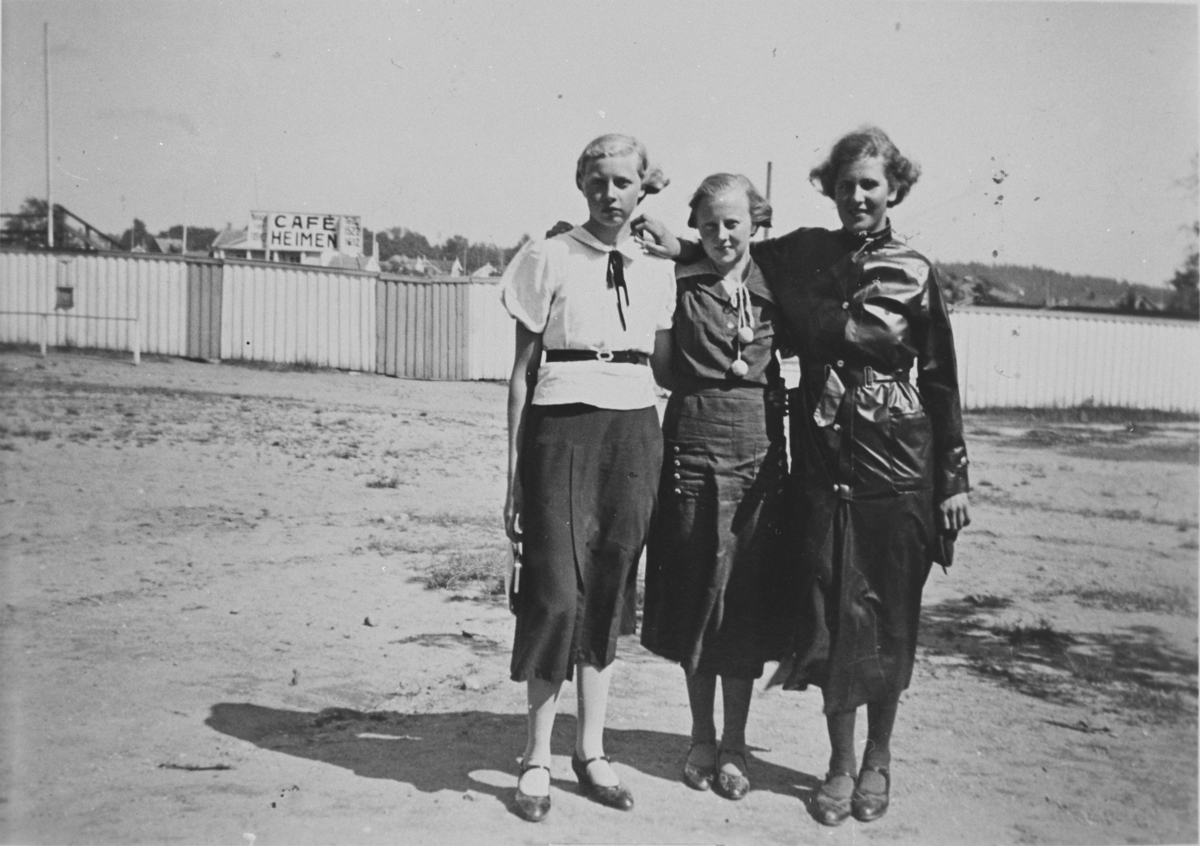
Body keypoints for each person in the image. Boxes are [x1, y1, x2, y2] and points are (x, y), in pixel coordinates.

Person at [640, 126, 971, 826]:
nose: (857, 196)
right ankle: (839, 765)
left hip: (899, 460)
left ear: (893, 191)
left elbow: (940, 380)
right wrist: (678, 246)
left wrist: (954, 478)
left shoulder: (915, 269)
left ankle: (877, 760)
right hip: (821, 461)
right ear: (831, 187)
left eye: (870, 185)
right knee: (830, 609)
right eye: (846, 184)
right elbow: (730, 251)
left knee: (887, 613)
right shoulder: (803, 255)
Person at [501, 133, 676, 823]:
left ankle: (591, 751)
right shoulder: (547, 256)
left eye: (623, 183)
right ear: (582, 184)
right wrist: (513, 474)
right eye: (598, 181)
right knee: (554, 593)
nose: (610, 194)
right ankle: (537, 757)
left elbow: (667, 367)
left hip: (633, 432)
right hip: (559, 429)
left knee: (608, 589)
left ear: (642, 189)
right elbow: (519, 375)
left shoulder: (658, 267)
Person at [639, 173, 789, 802]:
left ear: (756, 221)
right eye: (709, 225)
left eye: (733, 223)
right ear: (694, 228)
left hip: (757, 451)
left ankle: (735, 744)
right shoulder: (678, 281)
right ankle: (700, 736)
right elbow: (664, 366)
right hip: (693, 443)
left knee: (743, 597)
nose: (722, 235)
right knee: (698, 591)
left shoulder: (779, 283)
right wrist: (682, 254)